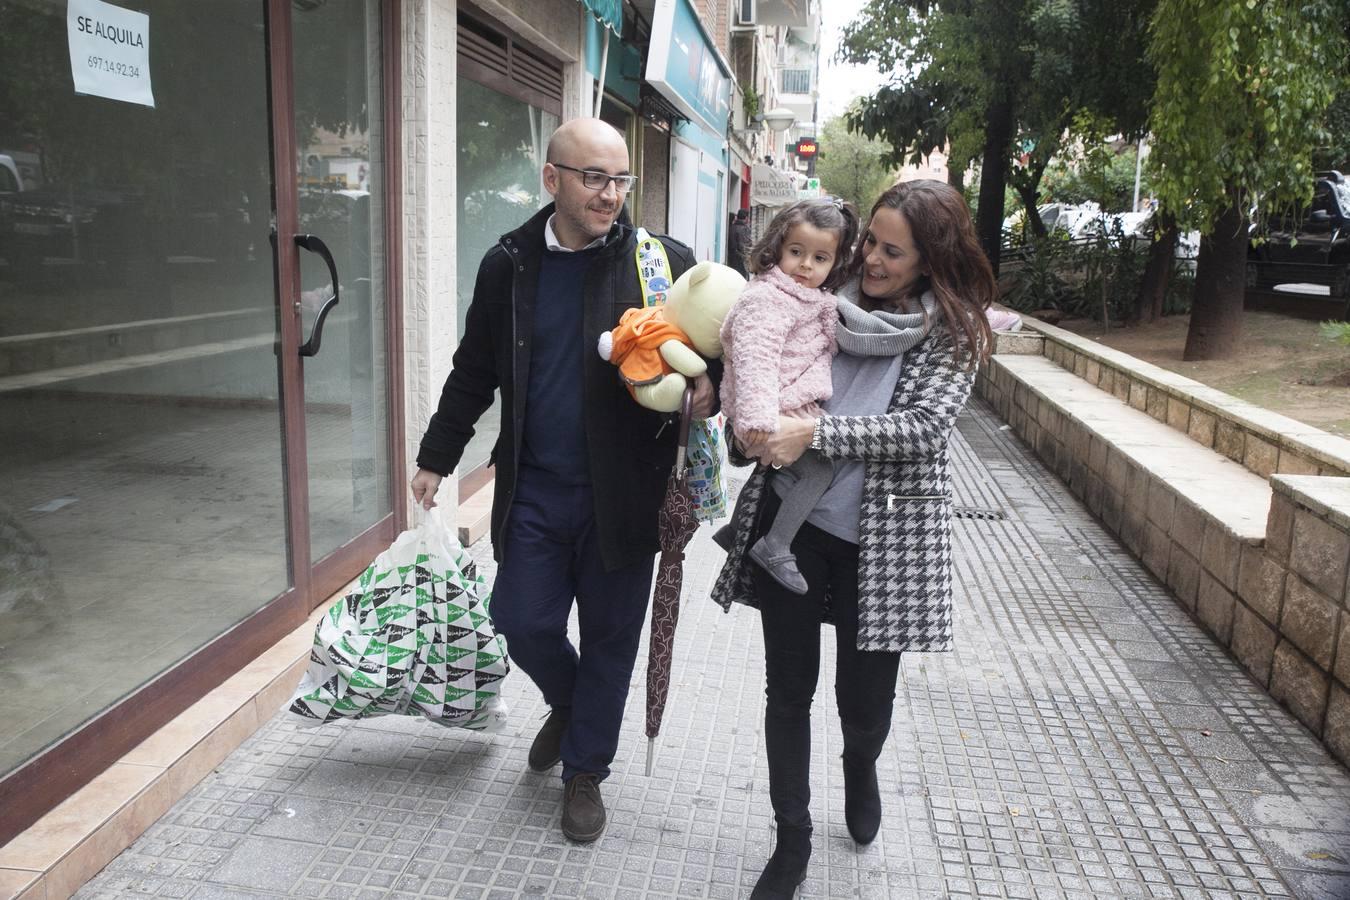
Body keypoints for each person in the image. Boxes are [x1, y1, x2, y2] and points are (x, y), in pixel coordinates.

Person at [410, 118, 713, 843]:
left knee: (611, 637)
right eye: (594, 179)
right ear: (553, 179)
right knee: (521, 619)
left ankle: (585, 773)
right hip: (537, 487)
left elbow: (713, 351)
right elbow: (475, 369)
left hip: (627, 492)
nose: (611, 195)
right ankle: (571, 701)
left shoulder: (660, 263)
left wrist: (713, 391)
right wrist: (436, 455)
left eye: (620, 180)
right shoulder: (508, 264)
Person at [710, 180, 996, 899]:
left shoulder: (955, 333)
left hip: (885, 546)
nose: (870, 258)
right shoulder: (821, 296)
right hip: (794, 530)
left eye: (892, 251)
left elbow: (923, 427)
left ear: (929, 260)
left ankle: (861, 765)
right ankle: (793, 837)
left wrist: (819, 432)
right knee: (788, 690)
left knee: (863, 706)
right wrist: (746, 430)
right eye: (870, 240)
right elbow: (765, 374)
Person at [716, 198, 861, 594]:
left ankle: (738, 533)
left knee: (796, 471)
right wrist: (759, 419)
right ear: (777, 247)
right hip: (769, 410)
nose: (805, 266)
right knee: (818, 472)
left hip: (787, 405)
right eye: (796, 252)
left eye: (820, 257)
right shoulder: (769, 299)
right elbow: (755, 359)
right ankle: (775, 545)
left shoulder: (811, 299)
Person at [727, 207, 752, 277]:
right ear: (746, 218)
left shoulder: (732, 227)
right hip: (740, 260)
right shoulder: (744, 229)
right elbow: (744, 246)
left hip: (731, 259)